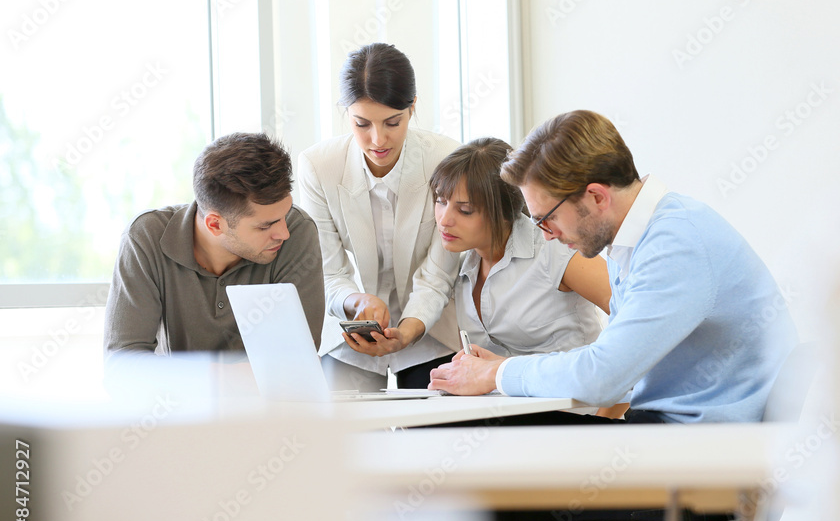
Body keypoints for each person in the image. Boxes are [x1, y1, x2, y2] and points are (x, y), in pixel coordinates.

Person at [429, 110, 798, 425]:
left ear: (596, 196)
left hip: (702, 460)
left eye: (546, 220)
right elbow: (613, 367)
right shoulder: (643, 240)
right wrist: (504, 369)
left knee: (492, 471)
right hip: (674, 439)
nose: (547, 236)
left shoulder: (675, 245)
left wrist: (497, 373)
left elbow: (602, 377)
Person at [343, 136, 611, 367]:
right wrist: (398, 337)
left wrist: (610, 412)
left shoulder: (557, 253)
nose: (444, 219)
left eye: (465, 210)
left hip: (571, 415)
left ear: (503, 212)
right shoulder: (463, 266)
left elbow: (640, 323)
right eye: (440, 201)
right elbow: (430, 291)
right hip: (505, 417)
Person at [298, 43, 461, 391]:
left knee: (432, 432)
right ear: (346, 113)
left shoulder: (447, 160)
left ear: (412, 107)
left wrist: (408, 329)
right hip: (350, 326)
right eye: (362, 123)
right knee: (343, 435)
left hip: (430, 327)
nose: (377, 139)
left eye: (392, 122)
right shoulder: (319, 166)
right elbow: (327, 270)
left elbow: (438, 274)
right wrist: (355, 301)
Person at [104, 131, 324, 365]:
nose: (284, 233)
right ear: (215, 224)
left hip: (269, 402)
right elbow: (121, 367)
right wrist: (221, 377)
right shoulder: (146, 237)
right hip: (177, 401)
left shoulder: (299, 231)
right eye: (265, 226)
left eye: (284, 215)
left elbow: (295, 363)